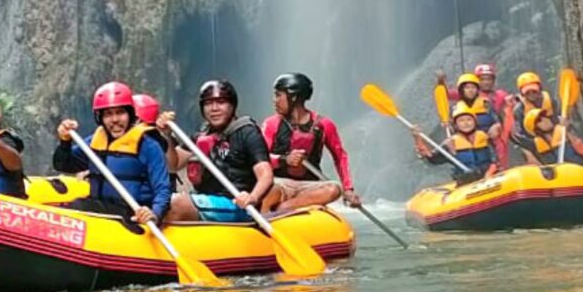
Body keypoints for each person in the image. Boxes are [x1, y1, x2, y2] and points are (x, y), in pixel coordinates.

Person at [53, 81, 171, 225]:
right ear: (100, 118)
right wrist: (65, 142)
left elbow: (163, 189)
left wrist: (155, 213)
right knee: (73, 207)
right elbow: (63, 165)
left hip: (130, 214)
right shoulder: (94, 142)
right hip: (99, 207)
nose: (115, 119)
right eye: (108, 114)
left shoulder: (149, 146)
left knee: (79, 207)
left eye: (120, 112)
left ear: (130, 114)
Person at [158, 80, 273, 222]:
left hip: (237, 204)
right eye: (208, 103)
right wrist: (167, 136)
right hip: (205, 200)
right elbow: (173, 165)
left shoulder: (247, 132)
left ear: (232, 105)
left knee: (175, 203)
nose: (214, 108)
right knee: (161, 201)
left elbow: (266, 175)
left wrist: (252, 197)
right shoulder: (201, 135)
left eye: (221, 102)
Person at [260, 72, 361, 210]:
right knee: (267, 188)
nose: (274, 100)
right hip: (279, 184)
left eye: (278, 95)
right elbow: (260, 159)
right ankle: (265, 217)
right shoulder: (271, 124)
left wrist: (348, 189)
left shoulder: (324, 125)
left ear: (293, 97)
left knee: (334, 189)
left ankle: (284, 208)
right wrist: (284, 159)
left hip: (309, 187)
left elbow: (340, 157)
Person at [412, 102, 498, 185]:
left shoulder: (484, 136)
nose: (466, 123)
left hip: (489, 175)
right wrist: (418, 139)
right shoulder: (451, 142)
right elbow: (432, 159)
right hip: (466, 182)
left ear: (475, 122)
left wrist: (490, 172)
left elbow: (495, 157)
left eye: (469, 119)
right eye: (461, 121)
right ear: (456, 125)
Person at [519, 108, 583, 167]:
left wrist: (568, 131)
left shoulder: (564, 131)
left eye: (544, 116)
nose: (545, 120)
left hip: (582, 170)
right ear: (536, 129)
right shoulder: (537, 147)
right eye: (539, 120)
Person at [509, 71, 557, 154]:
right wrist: (528, 153)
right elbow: (520, 135)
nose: (531, 94)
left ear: (540, 89)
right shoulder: (519, 110)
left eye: (534, 91)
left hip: (556, 137)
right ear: (522, 94)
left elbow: (560, 118)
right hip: (535, 145)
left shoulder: (551, 101)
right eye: (527, 92)